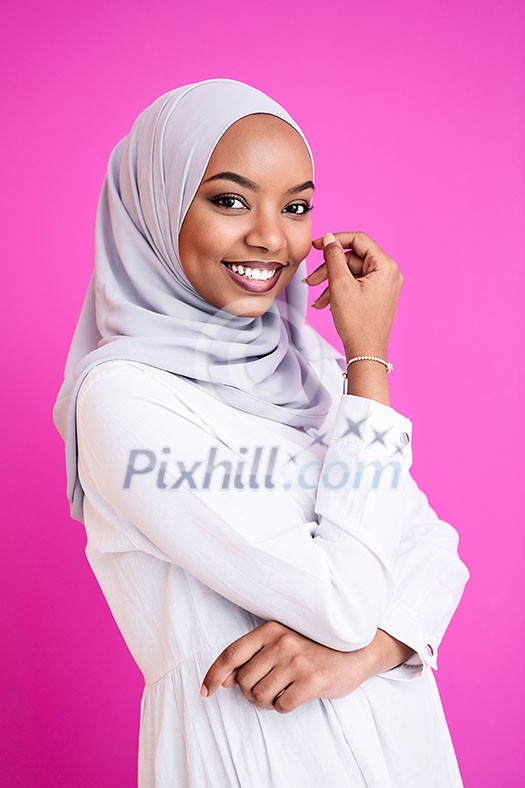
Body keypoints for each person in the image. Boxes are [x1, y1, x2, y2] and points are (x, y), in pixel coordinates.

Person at [52, 78, 470, 787]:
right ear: (156, 206)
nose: (271, 238)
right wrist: (369, 360)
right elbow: (340, 602)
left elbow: (435, 553)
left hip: (404, 745)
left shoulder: (304, 367)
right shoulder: (122, 397)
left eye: (296, 206)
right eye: (229, 200)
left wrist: (363, 657)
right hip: (254, 752)